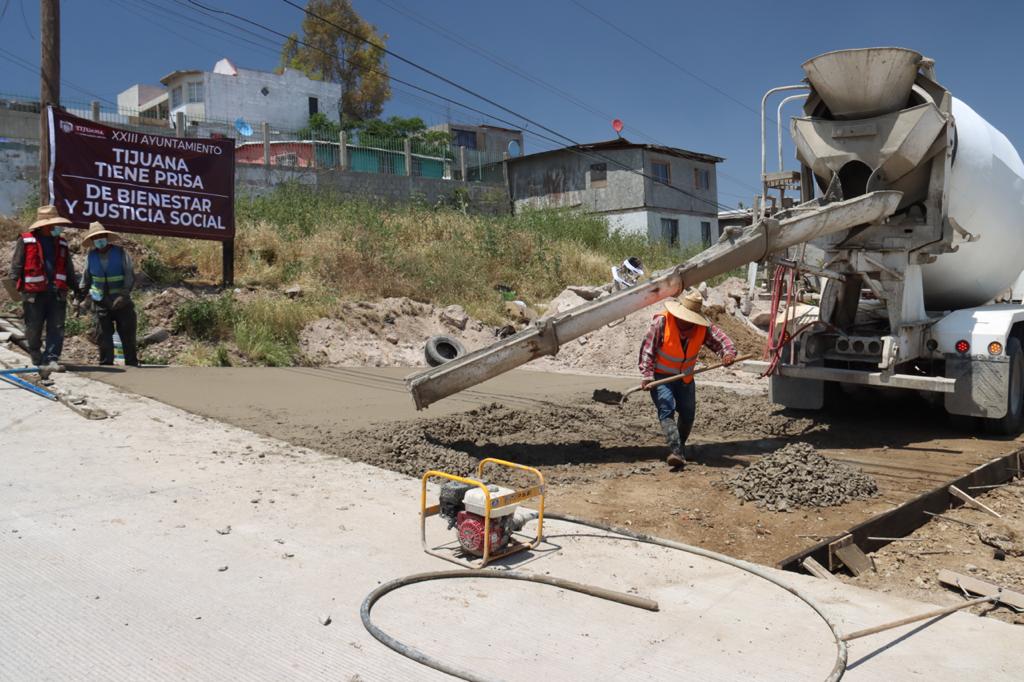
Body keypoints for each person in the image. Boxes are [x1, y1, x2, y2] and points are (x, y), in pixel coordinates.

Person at [638, 289, 736, 470]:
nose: (687, 322)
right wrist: (647, 375)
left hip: (685, 377)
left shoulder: (702, 327)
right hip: (661, 376)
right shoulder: (661, 322)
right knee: (666, 407)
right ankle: (676, 452)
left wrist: (727, 354)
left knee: (688, 413)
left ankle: (680, 445)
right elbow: (647, 351)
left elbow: (723, 341)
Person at [8, 205, 79, 372]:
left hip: (57, 292)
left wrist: (76, 287)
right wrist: (12, 285)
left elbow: (68, 268)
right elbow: (16, 265)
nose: (57, 227)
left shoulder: (61, 243)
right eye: (54, 224)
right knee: (33, 326)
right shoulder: (26, 240)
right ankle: (35, 352)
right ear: (44, 225)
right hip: (33, 293)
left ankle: (52, 358)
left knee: (57, 326)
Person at [79, 221, 139, 366]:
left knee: (127, 333)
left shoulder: (121, 253)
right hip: (100, 302)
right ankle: (107, 364)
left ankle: (131, 363)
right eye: (96, 238)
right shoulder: (90, 257)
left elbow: (129, 275)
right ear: (93, 241)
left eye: (101, 236)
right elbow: (86, 279)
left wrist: (123, 295)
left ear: (106, 236)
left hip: (121, 301)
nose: (99, 240)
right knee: (103, 335)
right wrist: (79, 296)